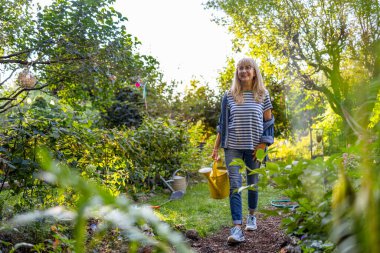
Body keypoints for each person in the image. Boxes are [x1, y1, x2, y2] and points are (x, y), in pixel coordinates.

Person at [211, 57, 275, 244]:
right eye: (240, 68)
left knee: (253, 183)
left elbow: (268, 123)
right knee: (235, 186)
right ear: (237, 72)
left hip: (255, 147)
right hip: (232, 146)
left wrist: (263, 144)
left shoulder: (263, 94)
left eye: (248, 68)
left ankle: (252, 215)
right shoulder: (229, 95)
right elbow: (223, 124)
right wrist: (216, 148)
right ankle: (237, 228)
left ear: (254, 72)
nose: (244, 71)